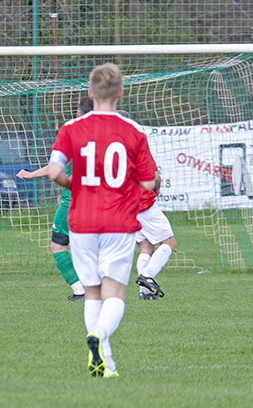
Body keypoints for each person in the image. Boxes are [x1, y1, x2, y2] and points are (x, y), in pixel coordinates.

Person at [47, 63, 157, 378]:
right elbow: (150, 183)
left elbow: (55, 172)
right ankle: (99, 337)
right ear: (120, 93)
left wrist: (75, 185)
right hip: (119, 221)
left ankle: (105, 364)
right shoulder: (134, 131)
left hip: (82, 221)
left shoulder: (71, 129)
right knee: (115, 293)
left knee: (92, 292)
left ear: (90, 93)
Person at [16, 96, 94, 301]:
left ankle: (81, 291)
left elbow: (55, 167)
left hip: (73, 203)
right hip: (98, 202)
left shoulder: (72, 135)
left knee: (58, 246)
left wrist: (31, 174)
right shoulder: (105, 137)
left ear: (78, 114)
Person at [134, 172, 176, 299]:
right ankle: (147, 275)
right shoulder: (140, 152)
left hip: (126, 207)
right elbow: (155, 176)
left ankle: (145, 292)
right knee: (169, 242)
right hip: (144, 205)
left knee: (145, 247)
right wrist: (156, 189)